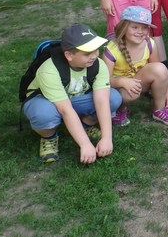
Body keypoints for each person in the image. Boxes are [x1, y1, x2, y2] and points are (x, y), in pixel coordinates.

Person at [22, 24, 121, 164]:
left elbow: (102, 101)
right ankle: (49, 137)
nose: (94, 56)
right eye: (87, 53)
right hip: (47, 102)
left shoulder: (98, 65)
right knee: (43, 114)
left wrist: (107, 138)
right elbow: (65, 110)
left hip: (74, 99)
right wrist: (85, 145)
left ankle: (85, 126)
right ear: (69, 55)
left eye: (95, 50)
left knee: (113, 98)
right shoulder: (49, 70)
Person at [103, 6, 168, 126]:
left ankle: (159, 109)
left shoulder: (150, 43)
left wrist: (167, 92)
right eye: (135, 27)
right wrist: (122, 81)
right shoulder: (111, 50)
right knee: (131, 94)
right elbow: (105, 80)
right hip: (118, 87)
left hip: (138, 81)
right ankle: (119, 110)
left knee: (160, 68)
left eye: (144, 27)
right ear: (124, 27)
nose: (140, 31)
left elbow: (157, 70)